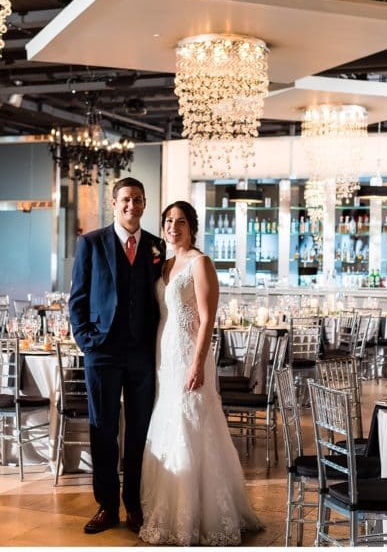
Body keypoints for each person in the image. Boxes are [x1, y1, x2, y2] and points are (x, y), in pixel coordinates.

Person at [139, 200, 262, 545]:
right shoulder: (163, 265)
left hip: (189, 354)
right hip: (164, 354)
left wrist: (197, 362)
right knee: (167, 421)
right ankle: (170, 504)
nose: (172, 227)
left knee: (191, 423)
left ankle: (196, 513)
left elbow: (208, 318)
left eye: (180, 221)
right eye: (168, 221)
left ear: (192, 227)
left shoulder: (199, 262)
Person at [68, 177, 164, 534]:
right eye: (126, 199)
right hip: (102, 352)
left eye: (138, 199)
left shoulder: (157, 246)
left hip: (141, 354)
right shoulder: (91, 243)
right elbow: (77, 298)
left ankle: (134, 504)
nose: (131, 205)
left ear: (144, 203)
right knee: (103, 430)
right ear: (114, 203)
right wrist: (87, 341)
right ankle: (106, 505)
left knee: (139, 430)